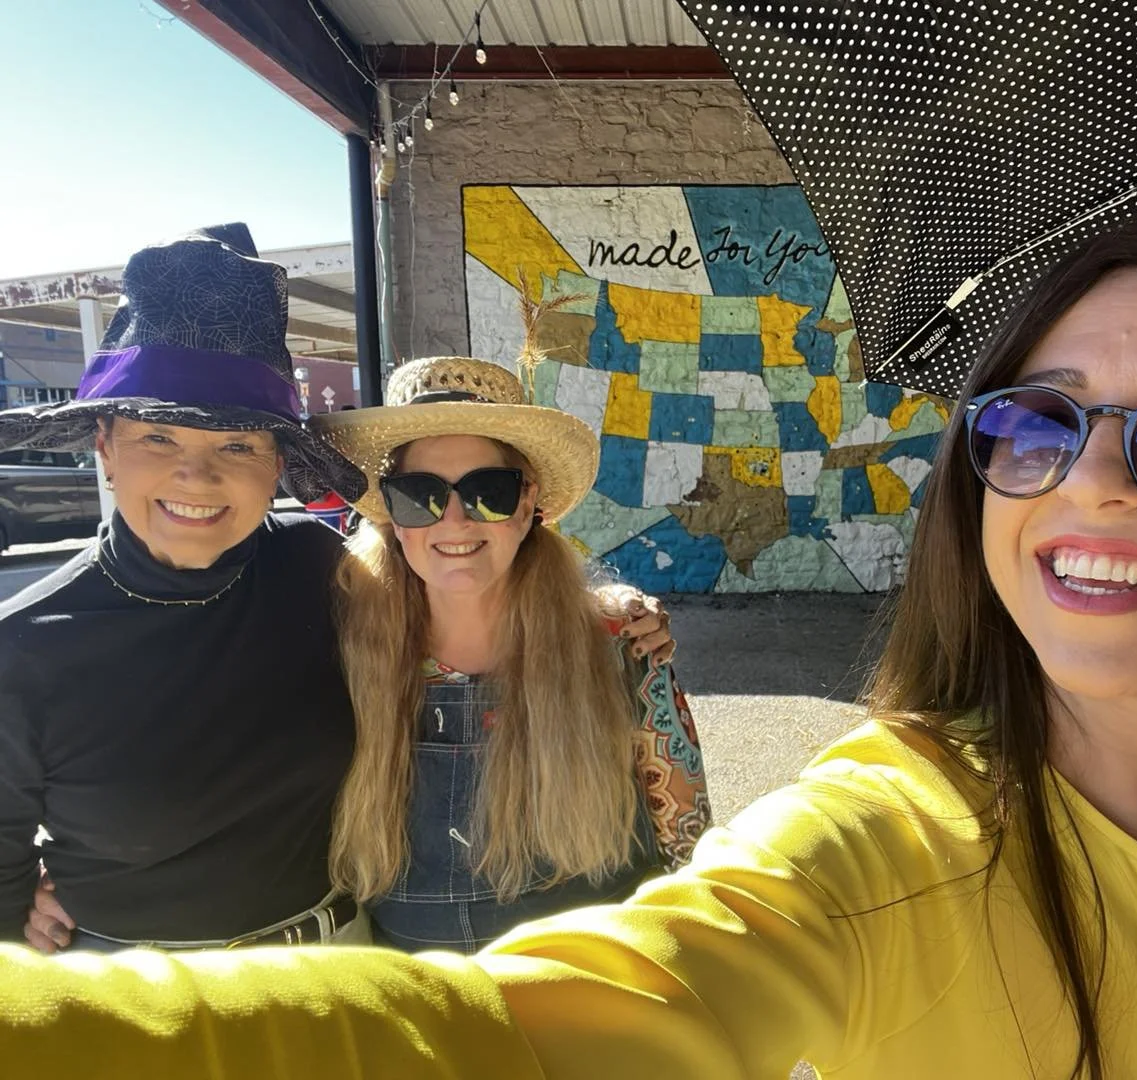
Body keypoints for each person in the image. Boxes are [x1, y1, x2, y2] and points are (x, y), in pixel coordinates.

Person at [3, 211, 1137, 1080]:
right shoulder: (890, 840)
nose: (1098, 480)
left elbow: (673, 838)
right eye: (1038, 423)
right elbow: (522, 1024)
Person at [0, 225, 673, 954]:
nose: (197, 476)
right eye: (158, 437)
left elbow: (472, 588)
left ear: (277, 463)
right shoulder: (24, 646)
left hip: (339, 971)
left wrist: (612, 611)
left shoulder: (320, 573)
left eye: (238, 443)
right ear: (104, 443)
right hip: (138, 997)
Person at [314, 356, 709, 950]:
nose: (453, 519)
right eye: (418, 495)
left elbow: (689, 848)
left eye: (487, 493)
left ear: (528, 505)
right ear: (392, 518)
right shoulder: (335, 652)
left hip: (589, 994)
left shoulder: (621, 646)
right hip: (418, 1006)